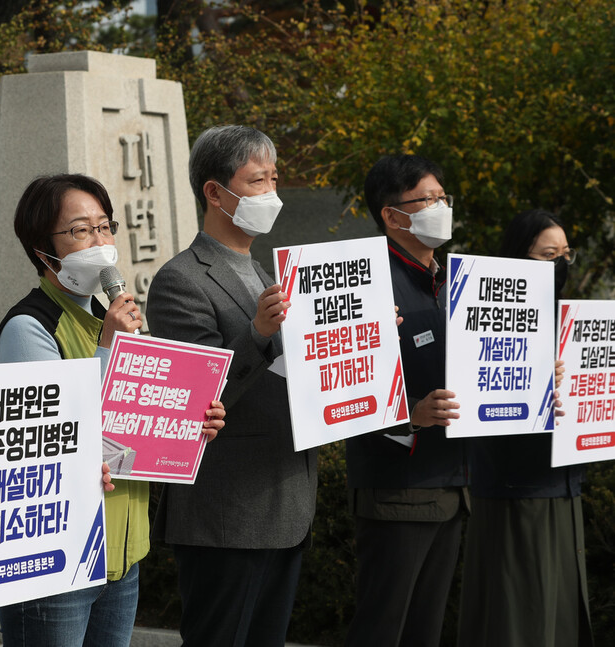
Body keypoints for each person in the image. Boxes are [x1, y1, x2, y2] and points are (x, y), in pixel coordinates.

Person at [0, 173, 225, 647]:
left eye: (104, 227)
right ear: (43, 251)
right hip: (58, 559)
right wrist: (107, 348)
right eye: (80, 230)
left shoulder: (104, 319)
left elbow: (129, 425)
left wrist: (188, 423)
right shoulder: (29, 326)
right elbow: (47, 441)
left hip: (121, 553)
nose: (99, 241)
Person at [146, 125, 317, 647]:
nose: (271, 193)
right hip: (227, 512)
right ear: (215, 192)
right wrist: (260, 332)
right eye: (256, 181)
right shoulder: (182, 279)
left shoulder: (264, 271)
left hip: (287, 499)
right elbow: (195, 399)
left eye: (274, 179)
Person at [344, 154, 468, 647]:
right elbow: (335, 391)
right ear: (393, 216)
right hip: (397, 490)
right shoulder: (364, 283)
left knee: (425, 632)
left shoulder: (456, 282)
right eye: (428, 200)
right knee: (382, 629)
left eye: (444, 198)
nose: (441, 208)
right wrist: (409, 416)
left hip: (454, 488)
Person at [458, 209, 593, 646]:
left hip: (564, 485)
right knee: (520, 618)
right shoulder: (484, 318)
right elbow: (483, 404)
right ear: (519, 258)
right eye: (549, 254)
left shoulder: (569, 320)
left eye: (567, 254)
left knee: (559, 619)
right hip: (517, 490)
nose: (562, 266)